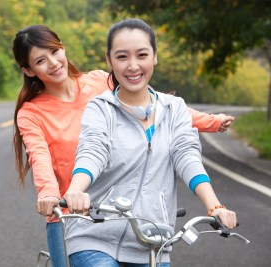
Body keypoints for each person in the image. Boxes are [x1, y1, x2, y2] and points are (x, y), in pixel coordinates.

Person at [12, 24, 234, 267]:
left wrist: (210, 122)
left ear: (63, 49)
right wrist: (51, 195)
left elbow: (154, 107)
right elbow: (44, 157)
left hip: (128, 211)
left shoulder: (98, 81)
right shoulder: (32, 113)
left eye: (55, 52)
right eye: (41, 60)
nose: (53, 63)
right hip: (72, 209)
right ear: (29, 70)